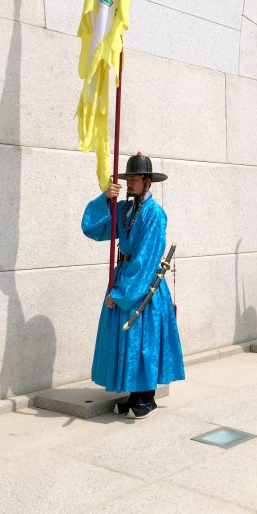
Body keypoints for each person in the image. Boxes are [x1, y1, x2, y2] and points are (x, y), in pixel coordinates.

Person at [81, 153, 184, 419]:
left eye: (135, 179)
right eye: (128, 179)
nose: (130, 184)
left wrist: (123, 293)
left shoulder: (155, 214)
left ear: (148, 182)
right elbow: (93, 228)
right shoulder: (125, 210)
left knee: (143, 339)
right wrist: (105, 198)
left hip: (143, 285)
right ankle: (132, 391)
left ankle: (146, 396)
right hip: (124, 278)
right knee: (126, 338)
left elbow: (147, 258)